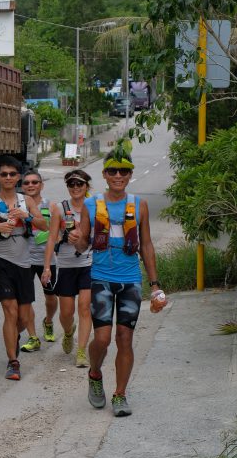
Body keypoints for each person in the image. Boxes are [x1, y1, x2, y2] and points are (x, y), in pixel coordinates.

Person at [76, 142, 164, 416]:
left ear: (129, 175)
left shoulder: (139, 205)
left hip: (130, 281)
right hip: (101, 278)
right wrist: (76, 240)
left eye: (123, 171)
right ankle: (94, 373)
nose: (118, 176)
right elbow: (82, 246)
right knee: (102, 339)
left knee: (124, 338)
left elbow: (146, 245)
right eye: (112, 171)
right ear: (104, 174)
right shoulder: (91, 205)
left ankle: (120, 394)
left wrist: (155, 284)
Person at [0, 156, 48, 381]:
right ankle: (13, 362)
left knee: (24, 318)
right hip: (2, 262)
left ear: (18, 177)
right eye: (4, 174)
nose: (8, 178)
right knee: (10, 310)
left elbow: (44, 225)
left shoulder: (27, 200)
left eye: (12, 174)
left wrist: (27, 216)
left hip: (25, 264)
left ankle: (13, 338)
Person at [42, 169, 94, 368]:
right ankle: (69, 331)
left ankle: (81, 352)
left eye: (79, 184)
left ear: (86, 186)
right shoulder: (60, 208)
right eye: (71, 184)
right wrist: (47, 267)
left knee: (84, 308)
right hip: (65, 265)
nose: (75, 188)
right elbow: (51, 239)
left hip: (88, 263)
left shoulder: (94, 207)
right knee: (66, 312)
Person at [18, 170, 58, 353]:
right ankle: (33, 337)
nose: (31, 185)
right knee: (25, 301)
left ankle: (48, 321)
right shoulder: (17, 205)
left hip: (46, 259)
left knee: (51, 297)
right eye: (26, 183)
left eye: (35, 182)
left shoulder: (51, 206)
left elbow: (59, 230)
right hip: (23, 259)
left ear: (41, 185)